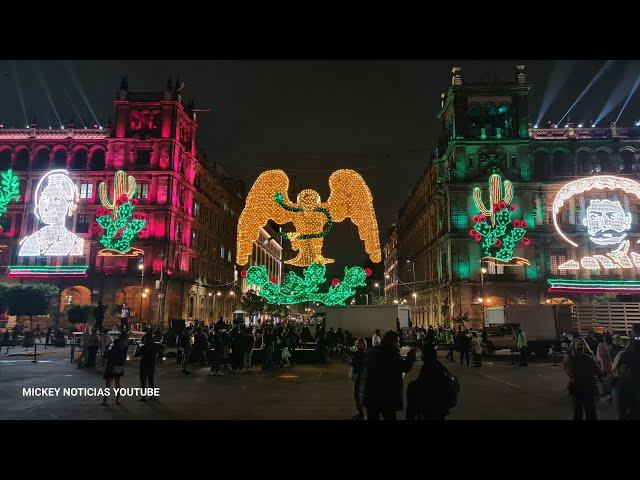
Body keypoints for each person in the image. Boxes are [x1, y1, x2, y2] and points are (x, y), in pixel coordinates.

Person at [364, 331, 416, 420]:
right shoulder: (391, 353)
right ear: (392, 342)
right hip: (387, 395)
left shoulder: (374, 351)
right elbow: (404, 367)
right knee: (389, 416)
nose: (399, 344)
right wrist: (410, 357)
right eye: (397, 341)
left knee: (373, 416)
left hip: (372, 393)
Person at [406, 347, 456, 420]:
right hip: (440, 406)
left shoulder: (428, 367)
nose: (421, 356)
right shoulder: (439, 366)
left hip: (430, 406)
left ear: (425, 356)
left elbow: (421, 384)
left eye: (422, 354)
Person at [563, 338, 602, 420]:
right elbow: (598, 372)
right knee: (590, 411)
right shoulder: (589, 358)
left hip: (575, 388)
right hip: (588, 388)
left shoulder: (568, 359)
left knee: (577, 411)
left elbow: (568, 372)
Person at [611, 325, 640, 420]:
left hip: (621, 388)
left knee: (621, 416)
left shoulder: (623, 353)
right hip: (634, 388)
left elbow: (614, 371)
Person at [347, 337, 368, 420]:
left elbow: (355, 363)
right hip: (365, 376)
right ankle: (361, 412)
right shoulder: (366, 353)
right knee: (362, 395)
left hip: (360, 376)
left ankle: (360, 413)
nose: (356, 344)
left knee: (357, 395)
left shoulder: (358, 354)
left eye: (358, 343)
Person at [102, 337, 126, 405]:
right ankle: (117, 400)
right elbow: (123, 361)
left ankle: (105, 401)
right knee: (118, 384)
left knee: (108, 385)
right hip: (119, 368)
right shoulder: (122, 351)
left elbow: (104, 356)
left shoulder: (110, 350)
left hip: (111, 368)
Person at [135, 332, 158, 401]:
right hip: (151, 365)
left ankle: (143, 396)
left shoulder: (143, 347)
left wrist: (138, 347)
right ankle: (151, 396)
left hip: (144, 365)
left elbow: (136, 355)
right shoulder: (155, 346)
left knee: (143, 382)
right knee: (151, 381)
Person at [596, 333, 613, 398]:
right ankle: (608, 392)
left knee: (605, 379)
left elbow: (600, 356)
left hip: (604, 365)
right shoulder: (607, 345)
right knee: (608, 379)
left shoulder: (600, 345)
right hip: (609, 365)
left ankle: (606, 392)